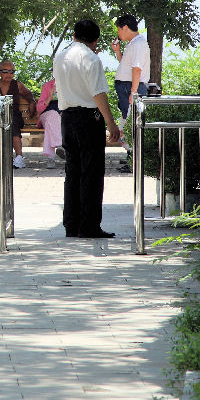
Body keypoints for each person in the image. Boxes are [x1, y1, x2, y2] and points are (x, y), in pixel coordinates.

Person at [53, 19, 121, 238]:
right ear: (95, 40)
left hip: (66, 117)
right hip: (88, 118)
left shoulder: (60, 56)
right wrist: (111, 123)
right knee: (91, 172)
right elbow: (98, 94)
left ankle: (71, 224)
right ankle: (89, 225)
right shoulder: (91, 58)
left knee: (72, 172)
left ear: (74, 35)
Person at [110, 14, 151, 137]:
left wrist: (133, 92)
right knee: (127, 117)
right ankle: (129, 147)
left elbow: (137, 69)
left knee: (131, 120)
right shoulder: (133, 43)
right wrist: (117, 51)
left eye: (118, 29)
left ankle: (132, 149)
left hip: (131, 87)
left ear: (125, 27)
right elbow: (126, 65)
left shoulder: (138, 44)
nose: (118, 33)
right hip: (127, 86)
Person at [35, 78, 64, 169]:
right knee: (52, 116)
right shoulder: (47, 86)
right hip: (47, 113)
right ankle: (60, 145)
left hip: (63, 113)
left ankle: (50, 158)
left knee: (52, 122)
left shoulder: (70, 84)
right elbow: (39, 109)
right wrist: (50, 97)